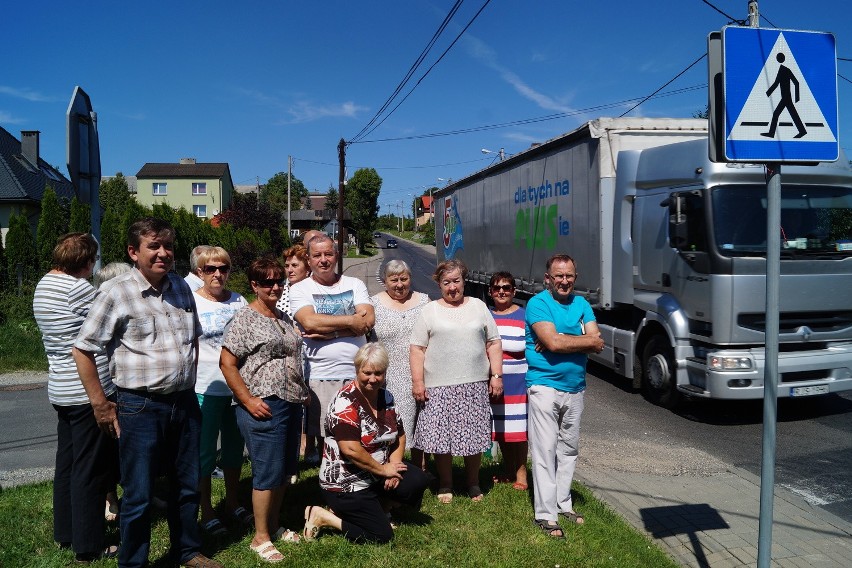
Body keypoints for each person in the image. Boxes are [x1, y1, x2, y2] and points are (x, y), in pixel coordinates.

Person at [73, 218, 220, 568]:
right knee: (138, 494)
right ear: (133, 252)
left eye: (168, 246)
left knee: (186, 486)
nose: (163, 253)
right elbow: (83, 348)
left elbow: (193, 341)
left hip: (184, 403)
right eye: (153, 246)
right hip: (140, 407)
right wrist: (101, 404)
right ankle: (134, 562)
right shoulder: (116, 292)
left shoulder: (184, 288)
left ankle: (188, 551)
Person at [33, 233, 118, 563]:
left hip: (61, 386)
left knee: (67, 463)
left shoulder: (45, 284)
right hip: (86, 388)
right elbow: (108, 326)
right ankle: (89, 544)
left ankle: (66, 532)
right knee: (90, 468)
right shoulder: (79, 289)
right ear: (87, 262)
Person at [220, 256, 309, 563]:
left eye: (278, 281)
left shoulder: (282, 317)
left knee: (285, 470)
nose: (274, 286)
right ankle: (260, 537)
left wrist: (303, 391)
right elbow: (227, 363)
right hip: (263, 404)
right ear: (254, 285)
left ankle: (273, 523)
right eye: (267, 282)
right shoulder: (245, 318)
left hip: (291, 402)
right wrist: (246, 400)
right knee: (267, 472)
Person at [303, 343, 429, 544]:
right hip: (345, 483)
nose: (372, 379)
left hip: (375, 474)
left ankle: (381, 508)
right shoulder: (345, 401)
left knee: (418, 481)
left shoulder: (386, 397)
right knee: (381, 536)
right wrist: (383, 471)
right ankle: (326, 516)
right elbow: (350, 449)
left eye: (378, 373)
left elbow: (400, 435)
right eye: (367, 372)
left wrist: (394, 467)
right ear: (357, 370)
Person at [409, 259, 503, 503]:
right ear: (439, 285)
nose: (452, 287)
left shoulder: (479, 306)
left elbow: (493, 342)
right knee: (442, 439)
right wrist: (418, 382)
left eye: (456, 281)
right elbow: (417, 348)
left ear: (464, 281)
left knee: (473, 436)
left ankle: (473, 483)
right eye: (446, 282)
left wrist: (496, 375)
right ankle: (446, 484)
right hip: (438, 386)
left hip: (474, 385)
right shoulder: (429, 311)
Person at [525, 254, 604, 539]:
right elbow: (554, 342)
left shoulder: (582, 304)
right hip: (544, 386)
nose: (564, 281)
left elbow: (597, 342)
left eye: (569, 275)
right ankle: (546, 515)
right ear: (548, 278)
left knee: (568, 449)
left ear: (575, 277)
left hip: (575, 387)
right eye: (558, 275)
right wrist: (577, 342)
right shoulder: (538, 304)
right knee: (545, 451)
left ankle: (563, 503)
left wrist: (563, 341)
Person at [290, 234, 374, 455]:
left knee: (359, 432)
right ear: (308, 260)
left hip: (358, 374)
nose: (323, 259)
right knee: (328, 437)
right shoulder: (300, 289)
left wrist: (331, 331)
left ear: (337, 256)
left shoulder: (354, 283)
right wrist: (350, 322)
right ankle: (329, 485)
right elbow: (308, 321)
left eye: (328, 254)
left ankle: (358, 484)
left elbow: (368, 320)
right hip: (320, 374)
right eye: (317, 255)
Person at [192, 247, 252, 537]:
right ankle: (205, 510)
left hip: (236, 388)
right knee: (204, 453)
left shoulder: (239, 301)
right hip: (203, 386)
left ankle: (232, 502)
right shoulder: (191, 302)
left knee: (232, 450)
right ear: (200, 272)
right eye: (210, 269)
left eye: (223, 268)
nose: (217, 274)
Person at [369, 259, 430, 469]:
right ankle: (395, 468)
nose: (399, 284)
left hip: (421, 372)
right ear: (384, 281)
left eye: (404, 279)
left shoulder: (424, 301)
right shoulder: (373, 304)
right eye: (393, 280)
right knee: (396, 424)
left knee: (422, 423)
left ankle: (421, 469)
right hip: (389, 375)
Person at [92, 261, 132, 523]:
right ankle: (110, 498)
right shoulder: (103, 306)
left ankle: (133, 493)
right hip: (106, 387)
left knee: (125, 447)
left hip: (122, 386)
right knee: (107, 448)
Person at [274, 242, 319, 468]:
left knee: (311, 401)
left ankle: (310, 447)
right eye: (287, 265)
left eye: (295, 265)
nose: (289, 269)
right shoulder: (283, 290)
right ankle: (297, 448)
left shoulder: (312, 288)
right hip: (290, 353)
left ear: (306, 268)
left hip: (313, 351)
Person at [488, 271, 529, 491]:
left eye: (506, 288)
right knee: (502, 428)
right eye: (497, 288)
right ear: (490, 292)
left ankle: (521, 474)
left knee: (519, 431)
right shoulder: (486, 315)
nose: (501, 292)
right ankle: (507, 469)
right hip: (494, 381)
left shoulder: (525, 316)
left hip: (519, 382)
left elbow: (535, 345)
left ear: (514, 291)